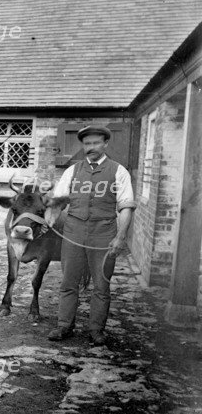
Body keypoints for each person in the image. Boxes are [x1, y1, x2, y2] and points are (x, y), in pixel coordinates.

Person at [47, 125, 136, 346]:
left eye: (96, 143)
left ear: (105, 144)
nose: (91, 148)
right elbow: (58, 203)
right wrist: (51, 220)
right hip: (73, 233)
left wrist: (121, 237)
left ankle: (96, 329)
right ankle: (64, 325)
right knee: (69, 281)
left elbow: (126, 207)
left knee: (102, 284)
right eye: (87, 144)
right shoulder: (72, 171)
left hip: (104, 234)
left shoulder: (118, 171)